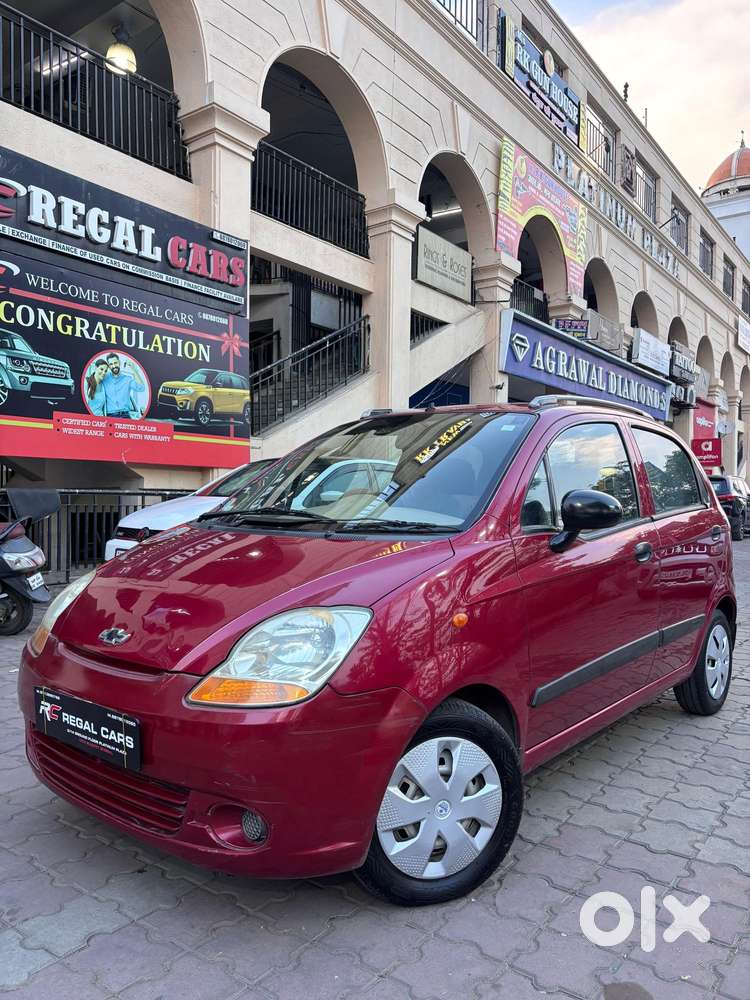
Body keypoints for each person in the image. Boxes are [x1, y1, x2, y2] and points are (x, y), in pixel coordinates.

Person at [101, 353, 146, 418]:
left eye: (115, 363)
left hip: (125, 415)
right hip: (110, 416)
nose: (114, 366)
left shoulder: (127, 379)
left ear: (119, 362)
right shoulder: (104, 378)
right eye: (111, 364)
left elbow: (141, 388)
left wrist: (133, 369)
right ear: (109, 366)